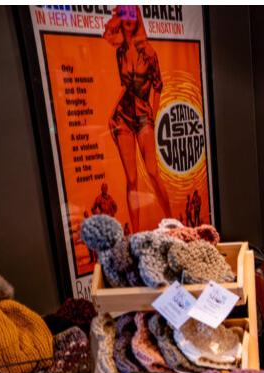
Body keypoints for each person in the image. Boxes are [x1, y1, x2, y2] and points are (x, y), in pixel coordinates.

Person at [103, 5, 172, 232]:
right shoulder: (120, 51)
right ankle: (136, 234)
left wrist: (153, 113)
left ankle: (174, 223)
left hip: (143, 115)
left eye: (133, 15)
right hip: (123, 116)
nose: (129, 20)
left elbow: (158, 86)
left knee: (152, 172)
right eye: (125, 16)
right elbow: (124, 85)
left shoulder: (149, 53)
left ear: (138, 18)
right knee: (131, 179)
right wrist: (112, 111)